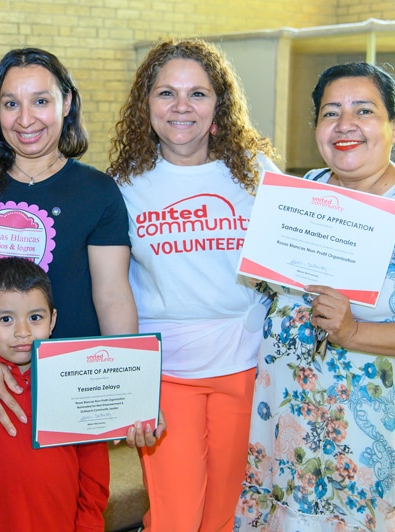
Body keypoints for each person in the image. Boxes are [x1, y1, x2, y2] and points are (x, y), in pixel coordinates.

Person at [234, 62, 395, 531]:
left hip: (365, 438)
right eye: (331, 113)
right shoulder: (301, 194)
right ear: (317, 129)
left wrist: (353, 331)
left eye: (363, 110)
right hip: (284, 424)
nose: (345, 124)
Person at [0, 47, 155, 444]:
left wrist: (125, 387)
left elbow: (113, 293)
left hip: (74, 379)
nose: (26, 119)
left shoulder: (98, 191)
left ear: (66, 103)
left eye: (41, 101)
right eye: (11, 103)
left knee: (77, 499)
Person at [107, 38, 280, 531]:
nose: (182, 106)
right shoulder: (122, 185)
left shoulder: (257, 175)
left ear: (218, 105)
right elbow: (110, 289)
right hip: (167, 372)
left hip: (246, 366)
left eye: (198, 94)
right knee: (175, 518)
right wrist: (130, 386)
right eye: (166, 93)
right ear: (147, 105)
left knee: (226, 514)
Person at [0, 256, 109, 531]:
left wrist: (88, 526)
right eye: (6, 319)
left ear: (52, 321)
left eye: (35, 317)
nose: (22, 332)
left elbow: (94, 466)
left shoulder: (75, 383)